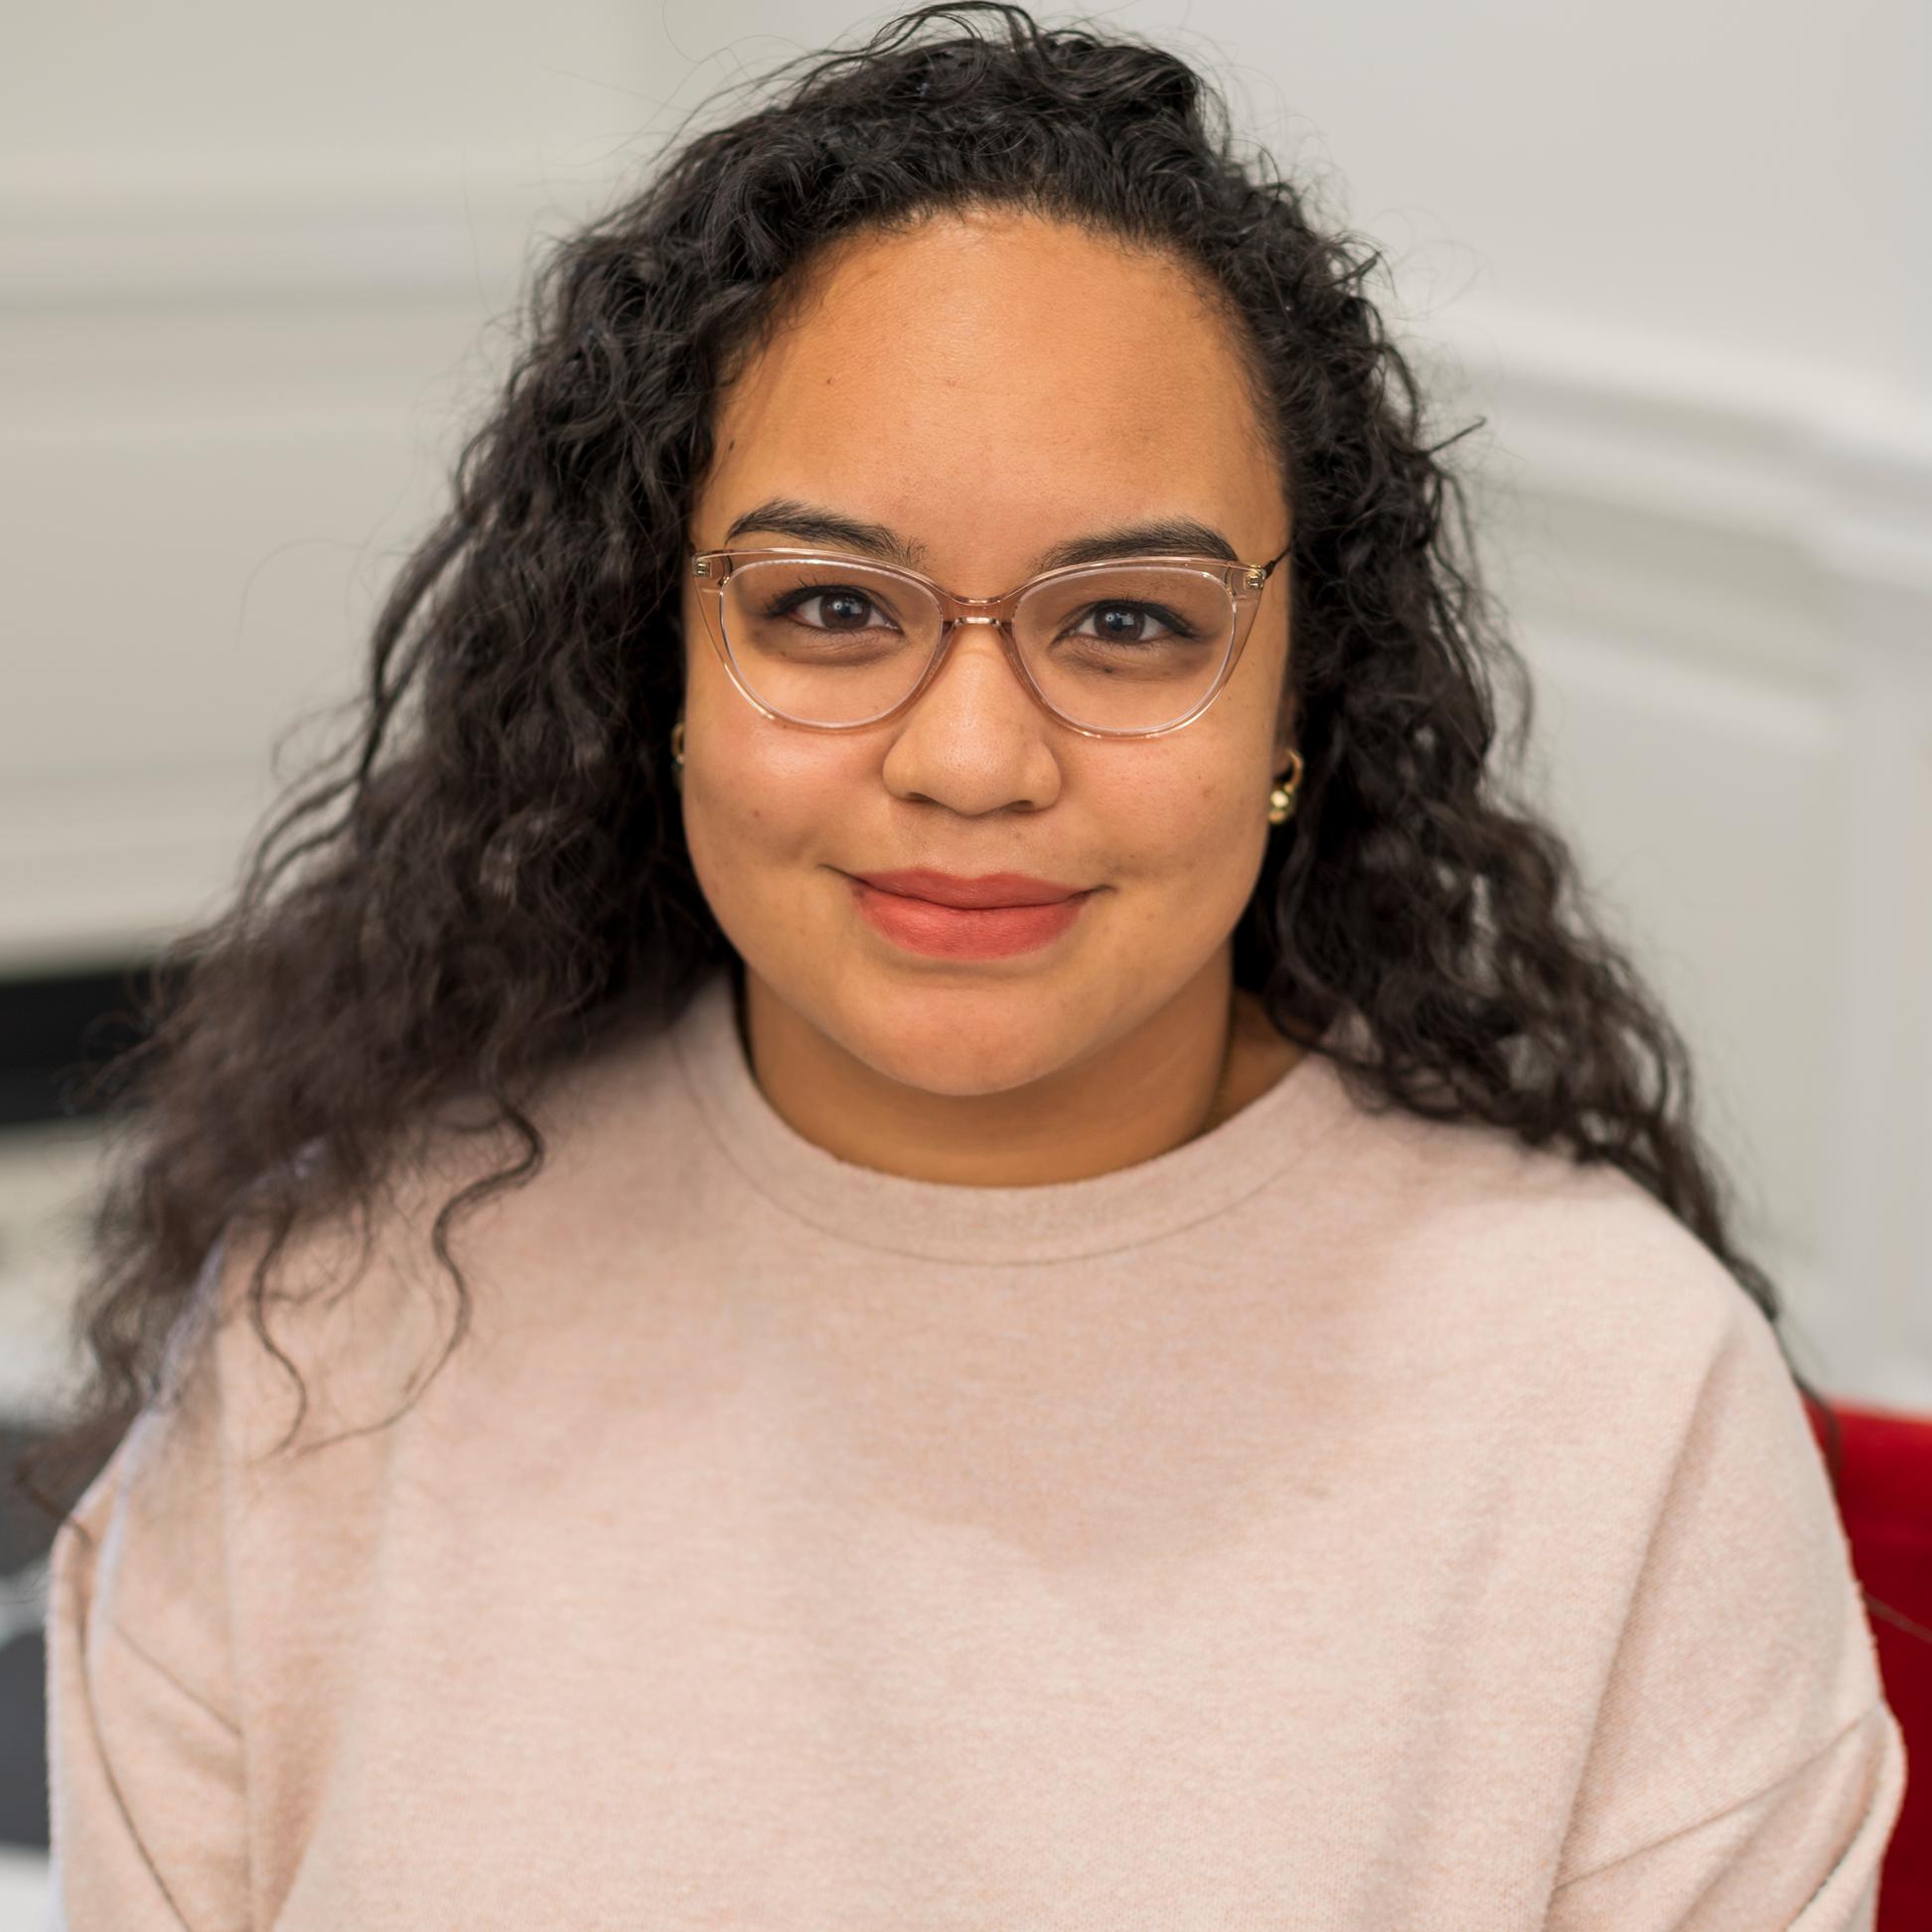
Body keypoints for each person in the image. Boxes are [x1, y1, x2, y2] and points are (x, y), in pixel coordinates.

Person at [23, 5, 1907, 1925]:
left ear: (1295, 695)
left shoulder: (1610, 1401)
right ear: (648, 661)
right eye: (831, 607)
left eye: (1125, 623)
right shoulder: (332, 1330)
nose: (973, 759)